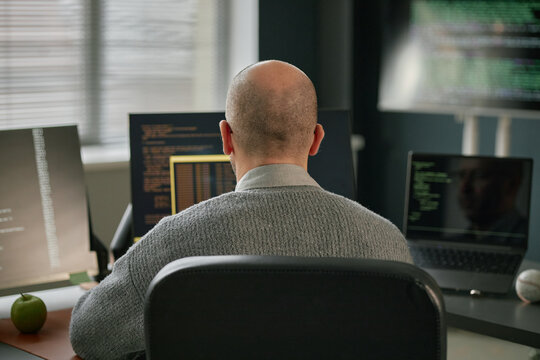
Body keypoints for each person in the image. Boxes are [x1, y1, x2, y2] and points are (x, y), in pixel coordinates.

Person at [69, 60, 411, 360]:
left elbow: (88, 335)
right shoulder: (387, 242)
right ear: (317, 138)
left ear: (226, 138)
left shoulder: (173, 246)